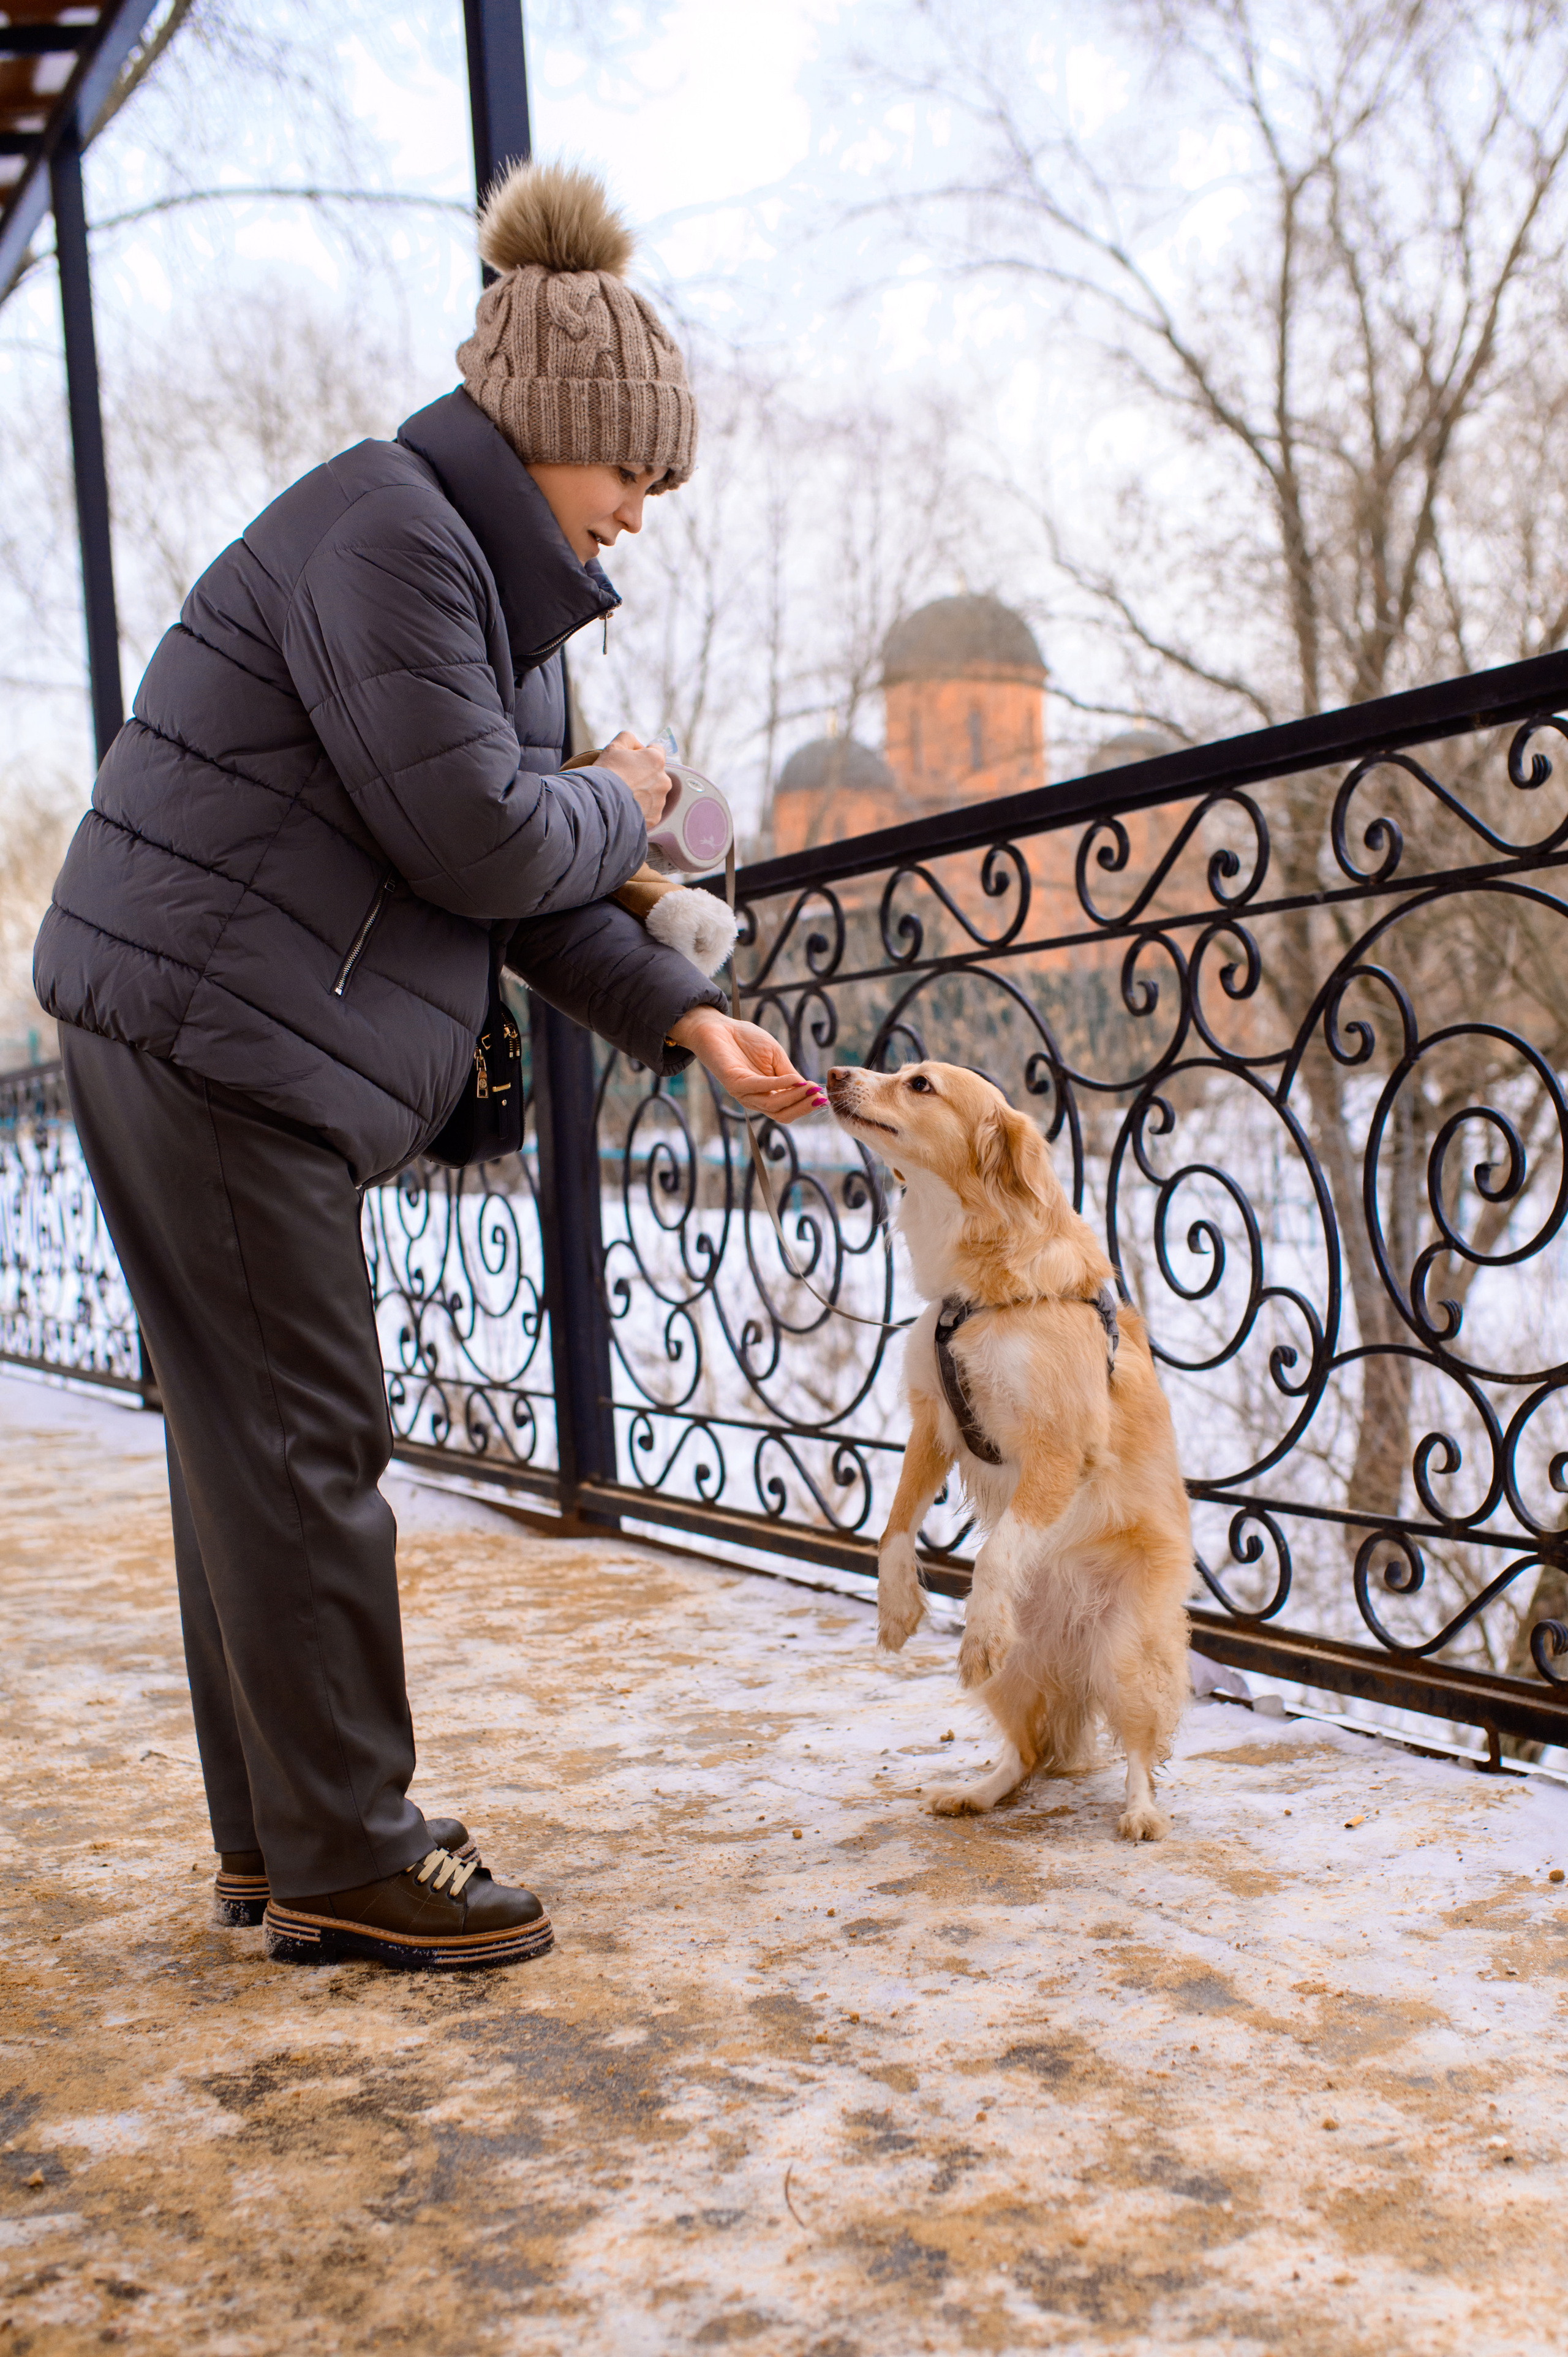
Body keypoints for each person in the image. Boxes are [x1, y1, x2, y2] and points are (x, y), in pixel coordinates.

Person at [32, 161, 821, 1973]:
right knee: (305, 1435)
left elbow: (533, 901)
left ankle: (285, 1840)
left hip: (202, 1020)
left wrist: (688, 1020)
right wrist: (625, 794)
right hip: (210, 1025)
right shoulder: (389, 536)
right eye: (634, 471)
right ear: (548, 428)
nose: (643, 509)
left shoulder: (487, 603)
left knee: (249, 1442)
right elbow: (485, 837)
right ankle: (351, 1852)